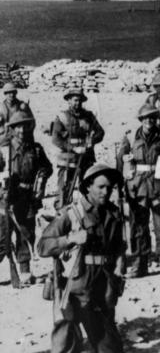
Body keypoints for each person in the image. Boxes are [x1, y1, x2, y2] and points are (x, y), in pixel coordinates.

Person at [38, 163, 126, 353]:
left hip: (102, 286)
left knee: (109, 347)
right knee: (66, 344)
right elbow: (43, 246)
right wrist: (69, 239)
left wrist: (120, 268)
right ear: (88, 187)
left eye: (109, 188)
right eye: (100, 187)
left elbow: (119, 245)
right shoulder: (71, 213)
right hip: (74, 287)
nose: (106, 191)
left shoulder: (113, 213)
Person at [117, 104, 160, 278]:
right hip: (137, 188)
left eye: (152, 117)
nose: (149, 121)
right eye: (145, 118)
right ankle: (139, 264)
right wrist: (120, 185)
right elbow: (121, 162)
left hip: (159, 186)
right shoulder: (130, 138)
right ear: (141, 120)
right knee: (138, 227)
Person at [0, 111, 51, 286]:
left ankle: (24, 271)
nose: (21, 130)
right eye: (18, 127)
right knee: (3, 233)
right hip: (7, 197)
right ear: (12, 129)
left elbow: (47, 167)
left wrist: (42, 176)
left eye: (25, 126)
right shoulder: (3, 148)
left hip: (28, 197)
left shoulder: (35, 149)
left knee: (25, 233)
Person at [51, 87, 105, 209]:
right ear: (69, 101)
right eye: (75, 100)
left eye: (80, 100)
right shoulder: (62, 117)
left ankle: (87, 214)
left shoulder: (89, 116)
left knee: (87, 188)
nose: (78, 103)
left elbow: (100, 132)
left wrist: (92, 140)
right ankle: (62, 215)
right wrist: (73, 148)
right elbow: (56, 139)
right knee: (65, 188)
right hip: (68, 159)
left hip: (86, 157)